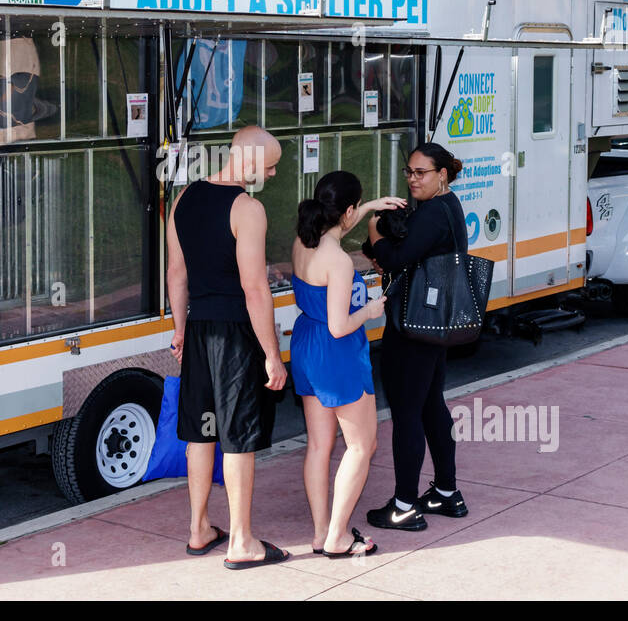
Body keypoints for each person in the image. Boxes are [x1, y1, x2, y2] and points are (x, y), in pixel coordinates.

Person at [166, 125, 290, 569]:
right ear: (252, 161)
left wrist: (181, 329)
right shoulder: (247, 209)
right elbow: (254, 288)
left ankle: (199, 529)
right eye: (271, 165)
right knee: (238, 435)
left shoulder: (183, 199)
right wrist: (272, 354)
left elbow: (176, 275)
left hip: (199, 329)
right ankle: (241, 541)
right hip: (236, 334)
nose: (274, 174)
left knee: (202, 432)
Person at [290, 171, 405, 558]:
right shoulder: (338, 261)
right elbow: (340, 326)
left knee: (319, 446)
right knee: (362, 444)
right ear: (348, 211)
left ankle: (322, 532)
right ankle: (339, 536)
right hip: (336, 352)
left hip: (306, 346)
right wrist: (371, 310)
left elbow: (341, 220)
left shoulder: (303, 243)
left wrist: (371, 205)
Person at [364, 142, 470, 531]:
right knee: (429, 406)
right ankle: (445, 492)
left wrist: (374, 230)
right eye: (409, 171)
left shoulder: (433, 214)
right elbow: (407, 253)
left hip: (414, 326)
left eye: (420, 173)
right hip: (433, 323)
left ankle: (405, 505)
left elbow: (394, 258)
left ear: (441, 174)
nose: (412, 179)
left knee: (407, 413)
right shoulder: (446, 205)